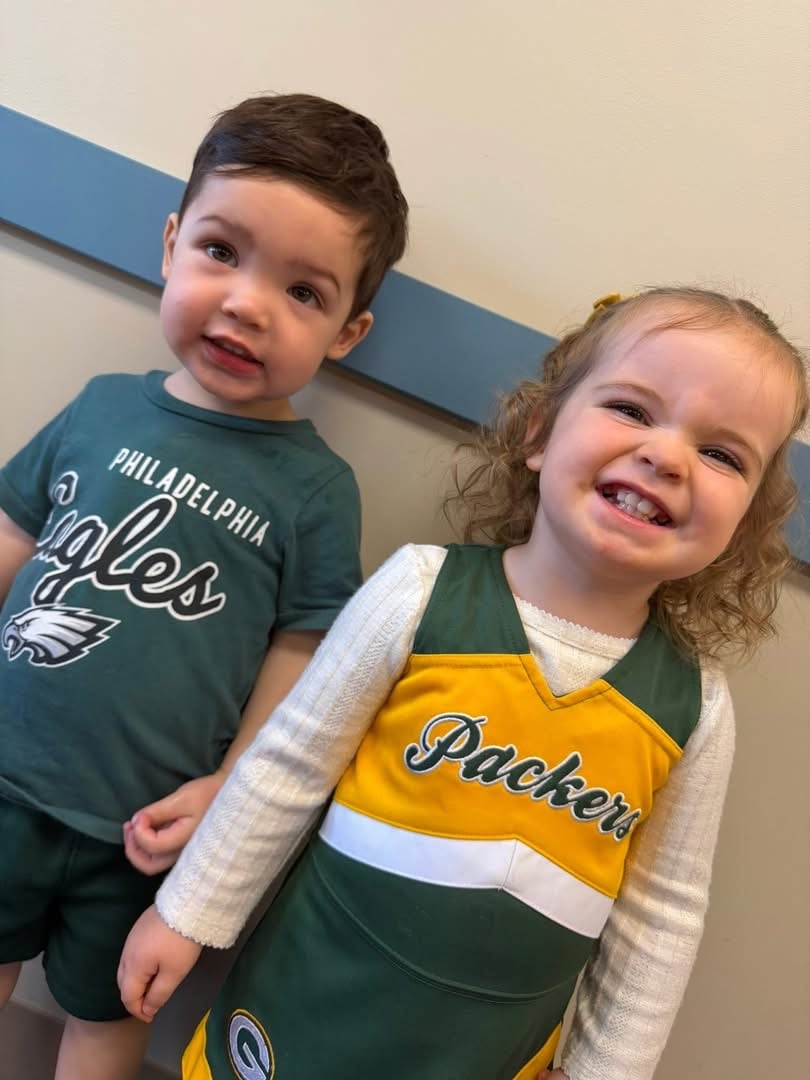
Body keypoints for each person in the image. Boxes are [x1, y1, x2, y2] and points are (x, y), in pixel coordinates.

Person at [118, 287, 807, 1080]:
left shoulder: (695, 709)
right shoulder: (418, 592)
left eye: (723, 455)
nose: (667, 455)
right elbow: (289, 766)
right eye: (631, 409)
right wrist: (189, 912)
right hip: (299, 1009)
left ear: (746, 519)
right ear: (540, 434)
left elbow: (661, 919)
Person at [0, 92, 408, 1079]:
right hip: (5, 777)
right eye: (222, 252)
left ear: (348, 331)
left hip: (143, 837)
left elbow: (302, 654)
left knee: (104, 1022)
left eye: (303, 293)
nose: (247, 304)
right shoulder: (100, 409)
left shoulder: (315, 491)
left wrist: (230, 790)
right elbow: (14, 528)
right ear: (173, 242)